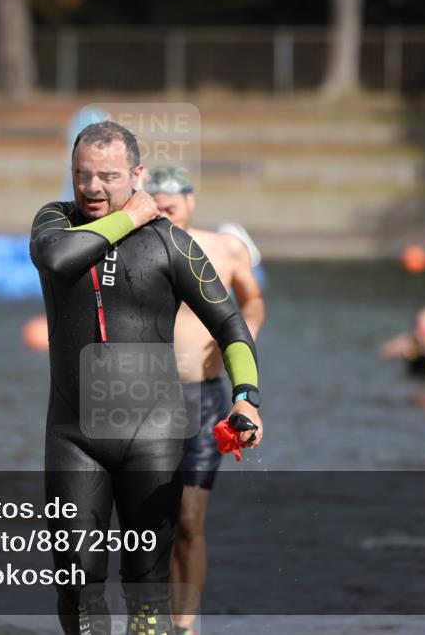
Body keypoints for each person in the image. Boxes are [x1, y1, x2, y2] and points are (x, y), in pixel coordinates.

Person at [30, 121, 263, 635]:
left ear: (136, 174)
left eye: (108, 177)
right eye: (81, 175)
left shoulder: (170, 244)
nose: (92, 188)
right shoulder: (54, 222)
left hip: (152, 437)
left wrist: (246, 398)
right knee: (76, 583)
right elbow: (56, 259)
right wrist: (129, 214)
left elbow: (231, 325)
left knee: (146, 590)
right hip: (74, 438)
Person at [144, 166, 265, 635]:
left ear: (191, 201)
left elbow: (252, 301)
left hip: (203, 396)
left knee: (189, 520)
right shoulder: (136, 249)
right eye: (156, 194)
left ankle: (187, 626)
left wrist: (243, 335)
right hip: (143, 398)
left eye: (174, 195)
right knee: (153, 524)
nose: (166, 199)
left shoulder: (225, 249)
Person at [380, 307, 425, 377]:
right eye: (422, 328)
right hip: (415, 376)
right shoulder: (409, 341)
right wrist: (404, 348)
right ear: (416, 327)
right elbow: (385, 352)